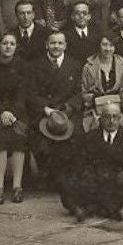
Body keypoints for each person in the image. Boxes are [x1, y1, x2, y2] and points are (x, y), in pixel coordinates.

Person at [61, 102, 123, 222]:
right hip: (96, 178)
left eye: (115, 117)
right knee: (68, 182)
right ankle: (104, 209)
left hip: (118, 180)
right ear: (100, 119)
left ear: (121, 119)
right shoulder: (90, 137)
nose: (111, 121)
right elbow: (80, 161)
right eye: (107, 117)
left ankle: (93, 209)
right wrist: (88, 173)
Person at [29, 31, 85, 189]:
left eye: (60, 43)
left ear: (65, 45)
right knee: (41, 141)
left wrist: (68, 107)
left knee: (76, 136)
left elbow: (80, 91)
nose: (56, 46)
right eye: (53, 43)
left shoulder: (75, 65)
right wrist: (46, 109)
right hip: (44, 112)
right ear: (46, 44)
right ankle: (47, 175)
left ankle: (67, 176)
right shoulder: (35, 65)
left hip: (67, 112)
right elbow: (30, 93)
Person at [0, 33, 30, 204]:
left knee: (19, 138)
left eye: (12, 43)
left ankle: (17, 186)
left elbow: (23, 93)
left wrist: (13, 112)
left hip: (18, 112)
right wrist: (1, 111)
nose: (8, 46)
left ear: (16, 46)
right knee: (0, 139)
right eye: (5, 43)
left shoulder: (23, 67)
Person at [80, 33, 123, 131]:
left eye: (111, 45)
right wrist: (93, 98)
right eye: (104, 44)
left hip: (118, 110)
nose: (108, 49)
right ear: (99, 45)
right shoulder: (88, 66)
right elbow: (83, 92)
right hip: (95, 109)